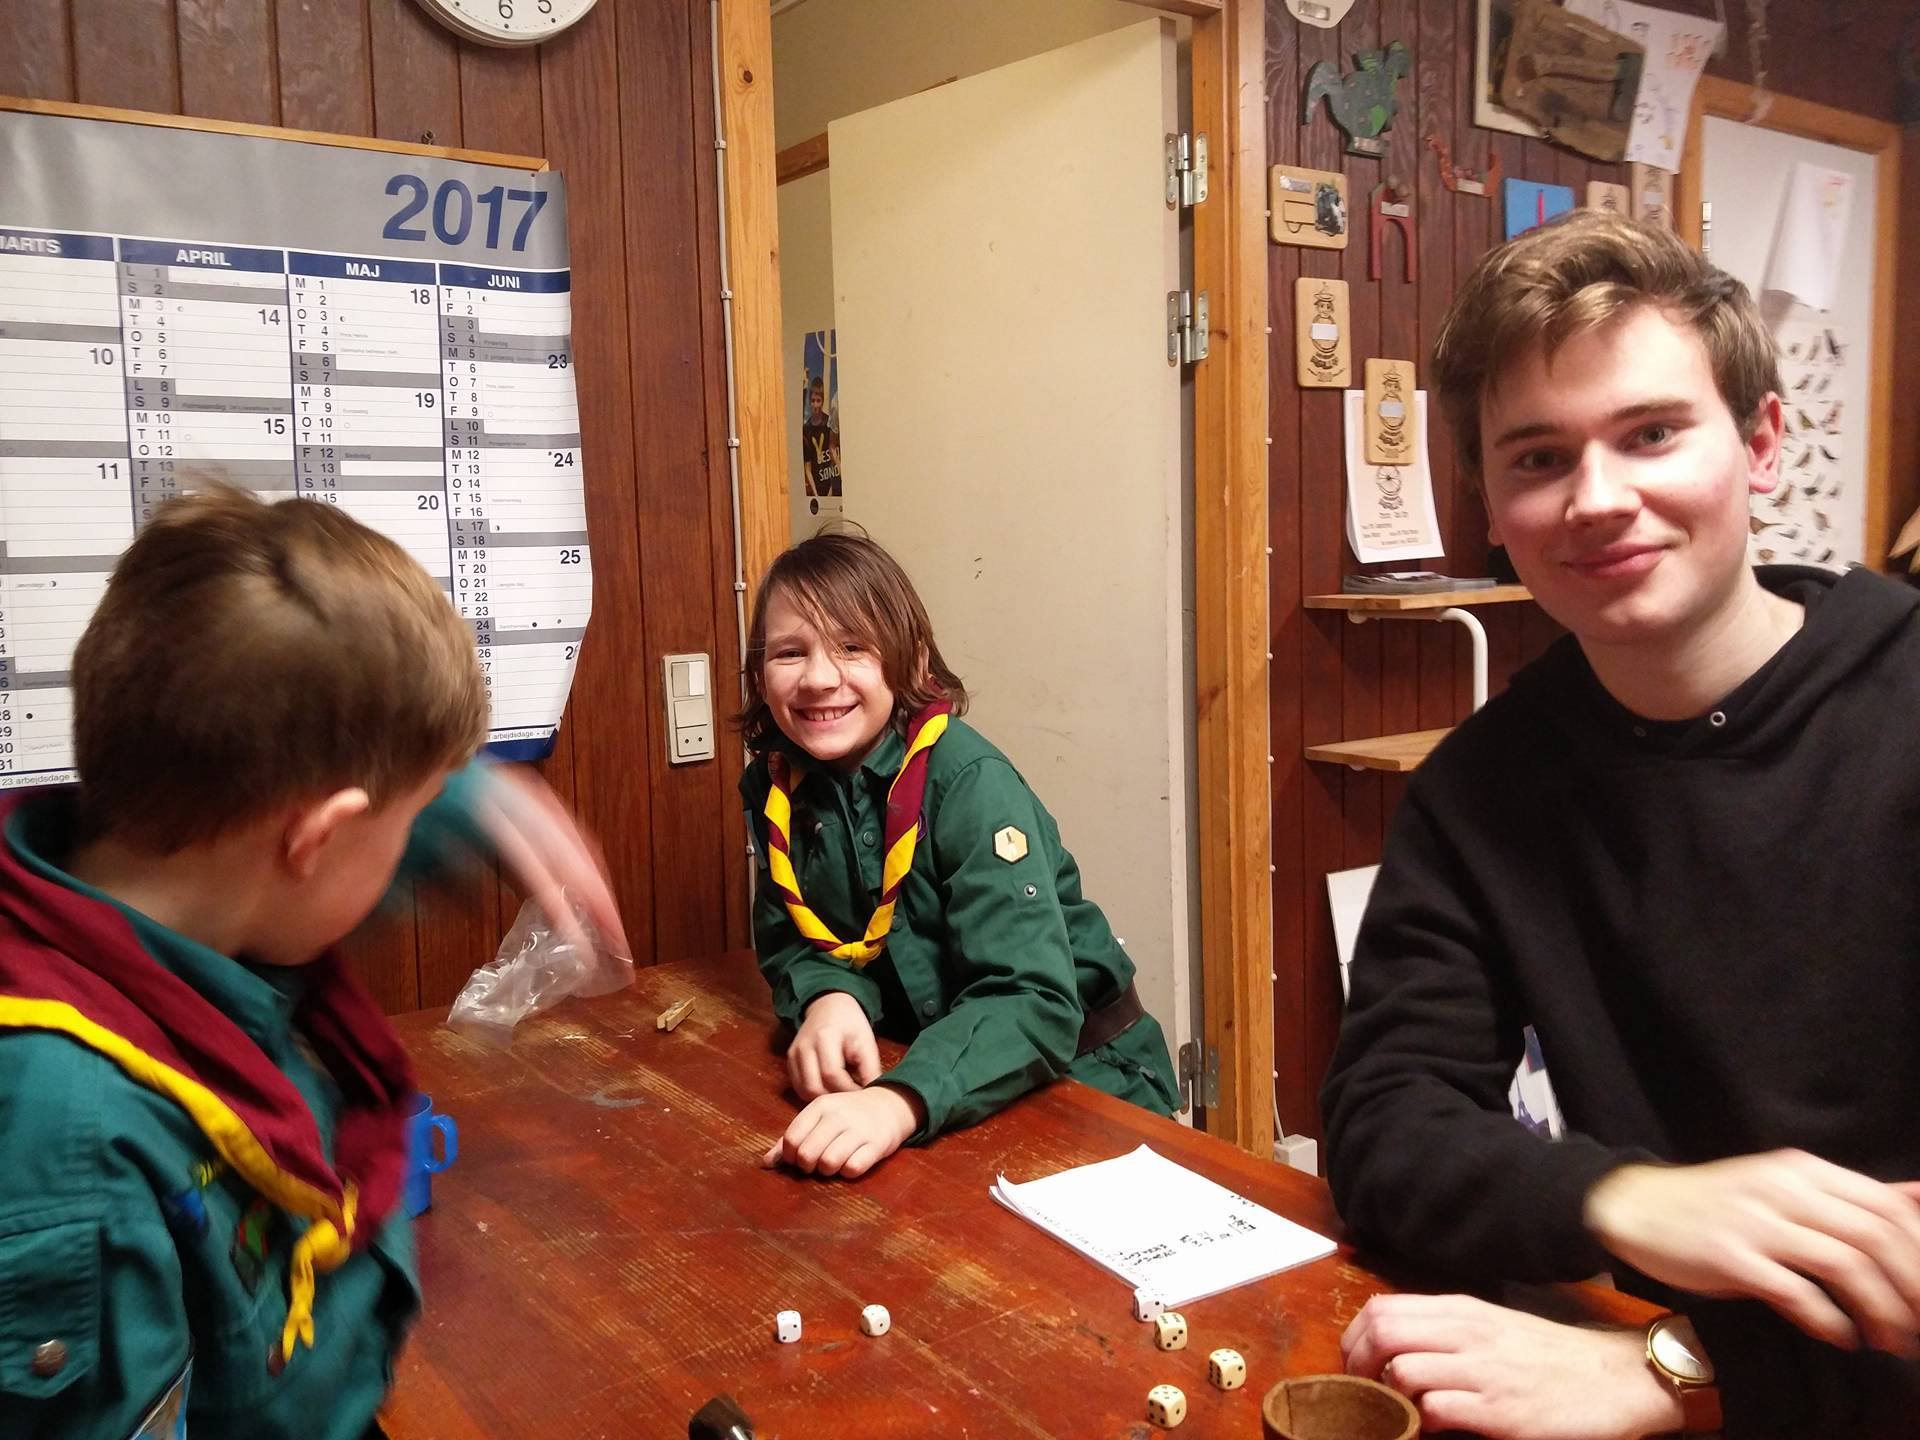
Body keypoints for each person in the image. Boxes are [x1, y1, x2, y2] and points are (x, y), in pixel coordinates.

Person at [1320, 210, 1920, 1439]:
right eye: (1539, 457)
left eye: (1651, 433)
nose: (1598, 499)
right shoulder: (1479, 790)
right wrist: (1625, 1200)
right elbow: (1385, 1126)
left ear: (1760, 445)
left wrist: (1688, 1370)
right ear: (1491, 508)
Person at [0, 486, 623, 1439]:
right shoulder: (72, 1147)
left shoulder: (168, 876)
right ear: (318, 836)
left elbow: (294, 863)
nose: (416, 835)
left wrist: (464, 804)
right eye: (413, 816)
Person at [740, 531, 1178, 1180]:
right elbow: (791, 937)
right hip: (930, 1076)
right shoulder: (778, 785)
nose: (820, 678)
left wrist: (897, 1102)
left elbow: (1031, 996)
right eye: (789, 652)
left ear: (912, 660)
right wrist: (831, 996)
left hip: (1080, 1080)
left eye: (853, 647)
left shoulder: (968, 782)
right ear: (760, 674)